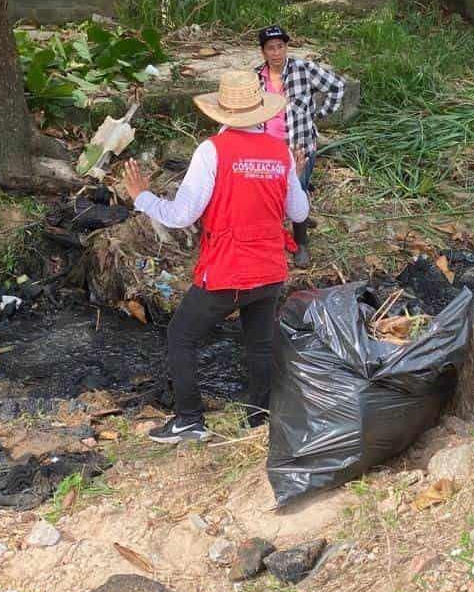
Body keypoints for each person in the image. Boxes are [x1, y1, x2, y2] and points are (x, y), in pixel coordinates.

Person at [122, 71, 309, 444]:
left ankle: (189, 420)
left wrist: (141, 196)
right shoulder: (280, 152)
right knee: (258, 342)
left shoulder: (212, 151)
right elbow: (299, 213)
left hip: (228, 269)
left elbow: (182, 215)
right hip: (270, 269)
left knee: (181, 335)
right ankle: (261, 418)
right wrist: (294, 177)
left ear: (221, 113)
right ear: (260, 110)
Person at [256, 24, 345, 269]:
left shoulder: (303, 69)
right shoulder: (256, 76)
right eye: (270, 48)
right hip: (268, 147)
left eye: (280, 47)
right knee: (270, 192)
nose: (276, 53)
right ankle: (274, 236)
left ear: (286, 47)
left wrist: (319, 112)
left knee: (298, 188)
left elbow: (337, 86)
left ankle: (301, 241)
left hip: (299, 143)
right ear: (263, 52)